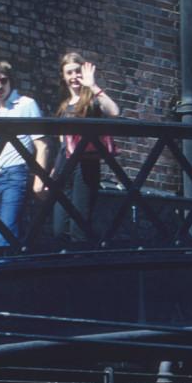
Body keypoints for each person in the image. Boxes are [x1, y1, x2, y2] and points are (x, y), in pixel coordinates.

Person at [47, 51, 120, 241]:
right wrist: (54, 172)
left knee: (79, 227)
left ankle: (80, 265)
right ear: (63, 77)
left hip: (85, 167)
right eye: (69, 73)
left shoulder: (92, 101)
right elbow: (63, 144)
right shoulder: (64, 107)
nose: (74, 77)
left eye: (77, 71)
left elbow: (114, 111)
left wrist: (93, 86)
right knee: (58, 229)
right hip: (65, 169)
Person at [0, 60, 49, 249]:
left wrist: (40, 179)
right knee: (7, 230)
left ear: (11, 81)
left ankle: (0, 273)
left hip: (17, 174)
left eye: (3, 80)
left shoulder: (26, 105)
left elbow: (42, 145)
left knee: (5, 234)